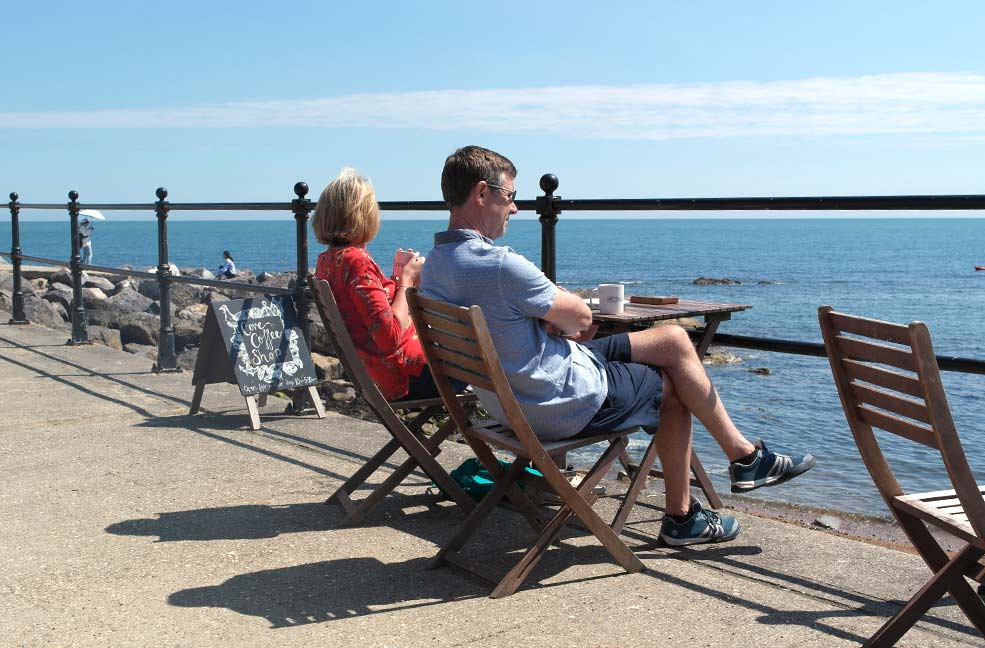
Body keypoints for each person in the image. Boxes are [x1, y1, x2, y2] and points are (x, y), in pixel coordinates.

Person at [420, 145, 816, 546]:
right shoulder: (500, 265)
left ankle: (744, 457)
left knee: (675, 339)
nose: (517, 208)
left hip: (514, 395)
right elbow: (582, 319)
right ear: (482, 193)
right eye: (510, 197)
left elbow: (533, 316)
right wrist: (553, 308)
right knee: (672, 389)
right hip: (558, 402)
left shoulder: (437, 264)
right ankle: (682, 517)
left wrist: (540, 313)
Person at [312, 167, 459, 401]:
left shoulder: (328, 261)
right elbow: (389, 338)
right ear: (362, 214)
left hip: (372, 374)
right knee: (487, 353)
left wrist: (395, 280)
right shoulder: (357, 261)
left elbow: (368, 314)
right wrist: (407, 282)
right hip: (405, 375)